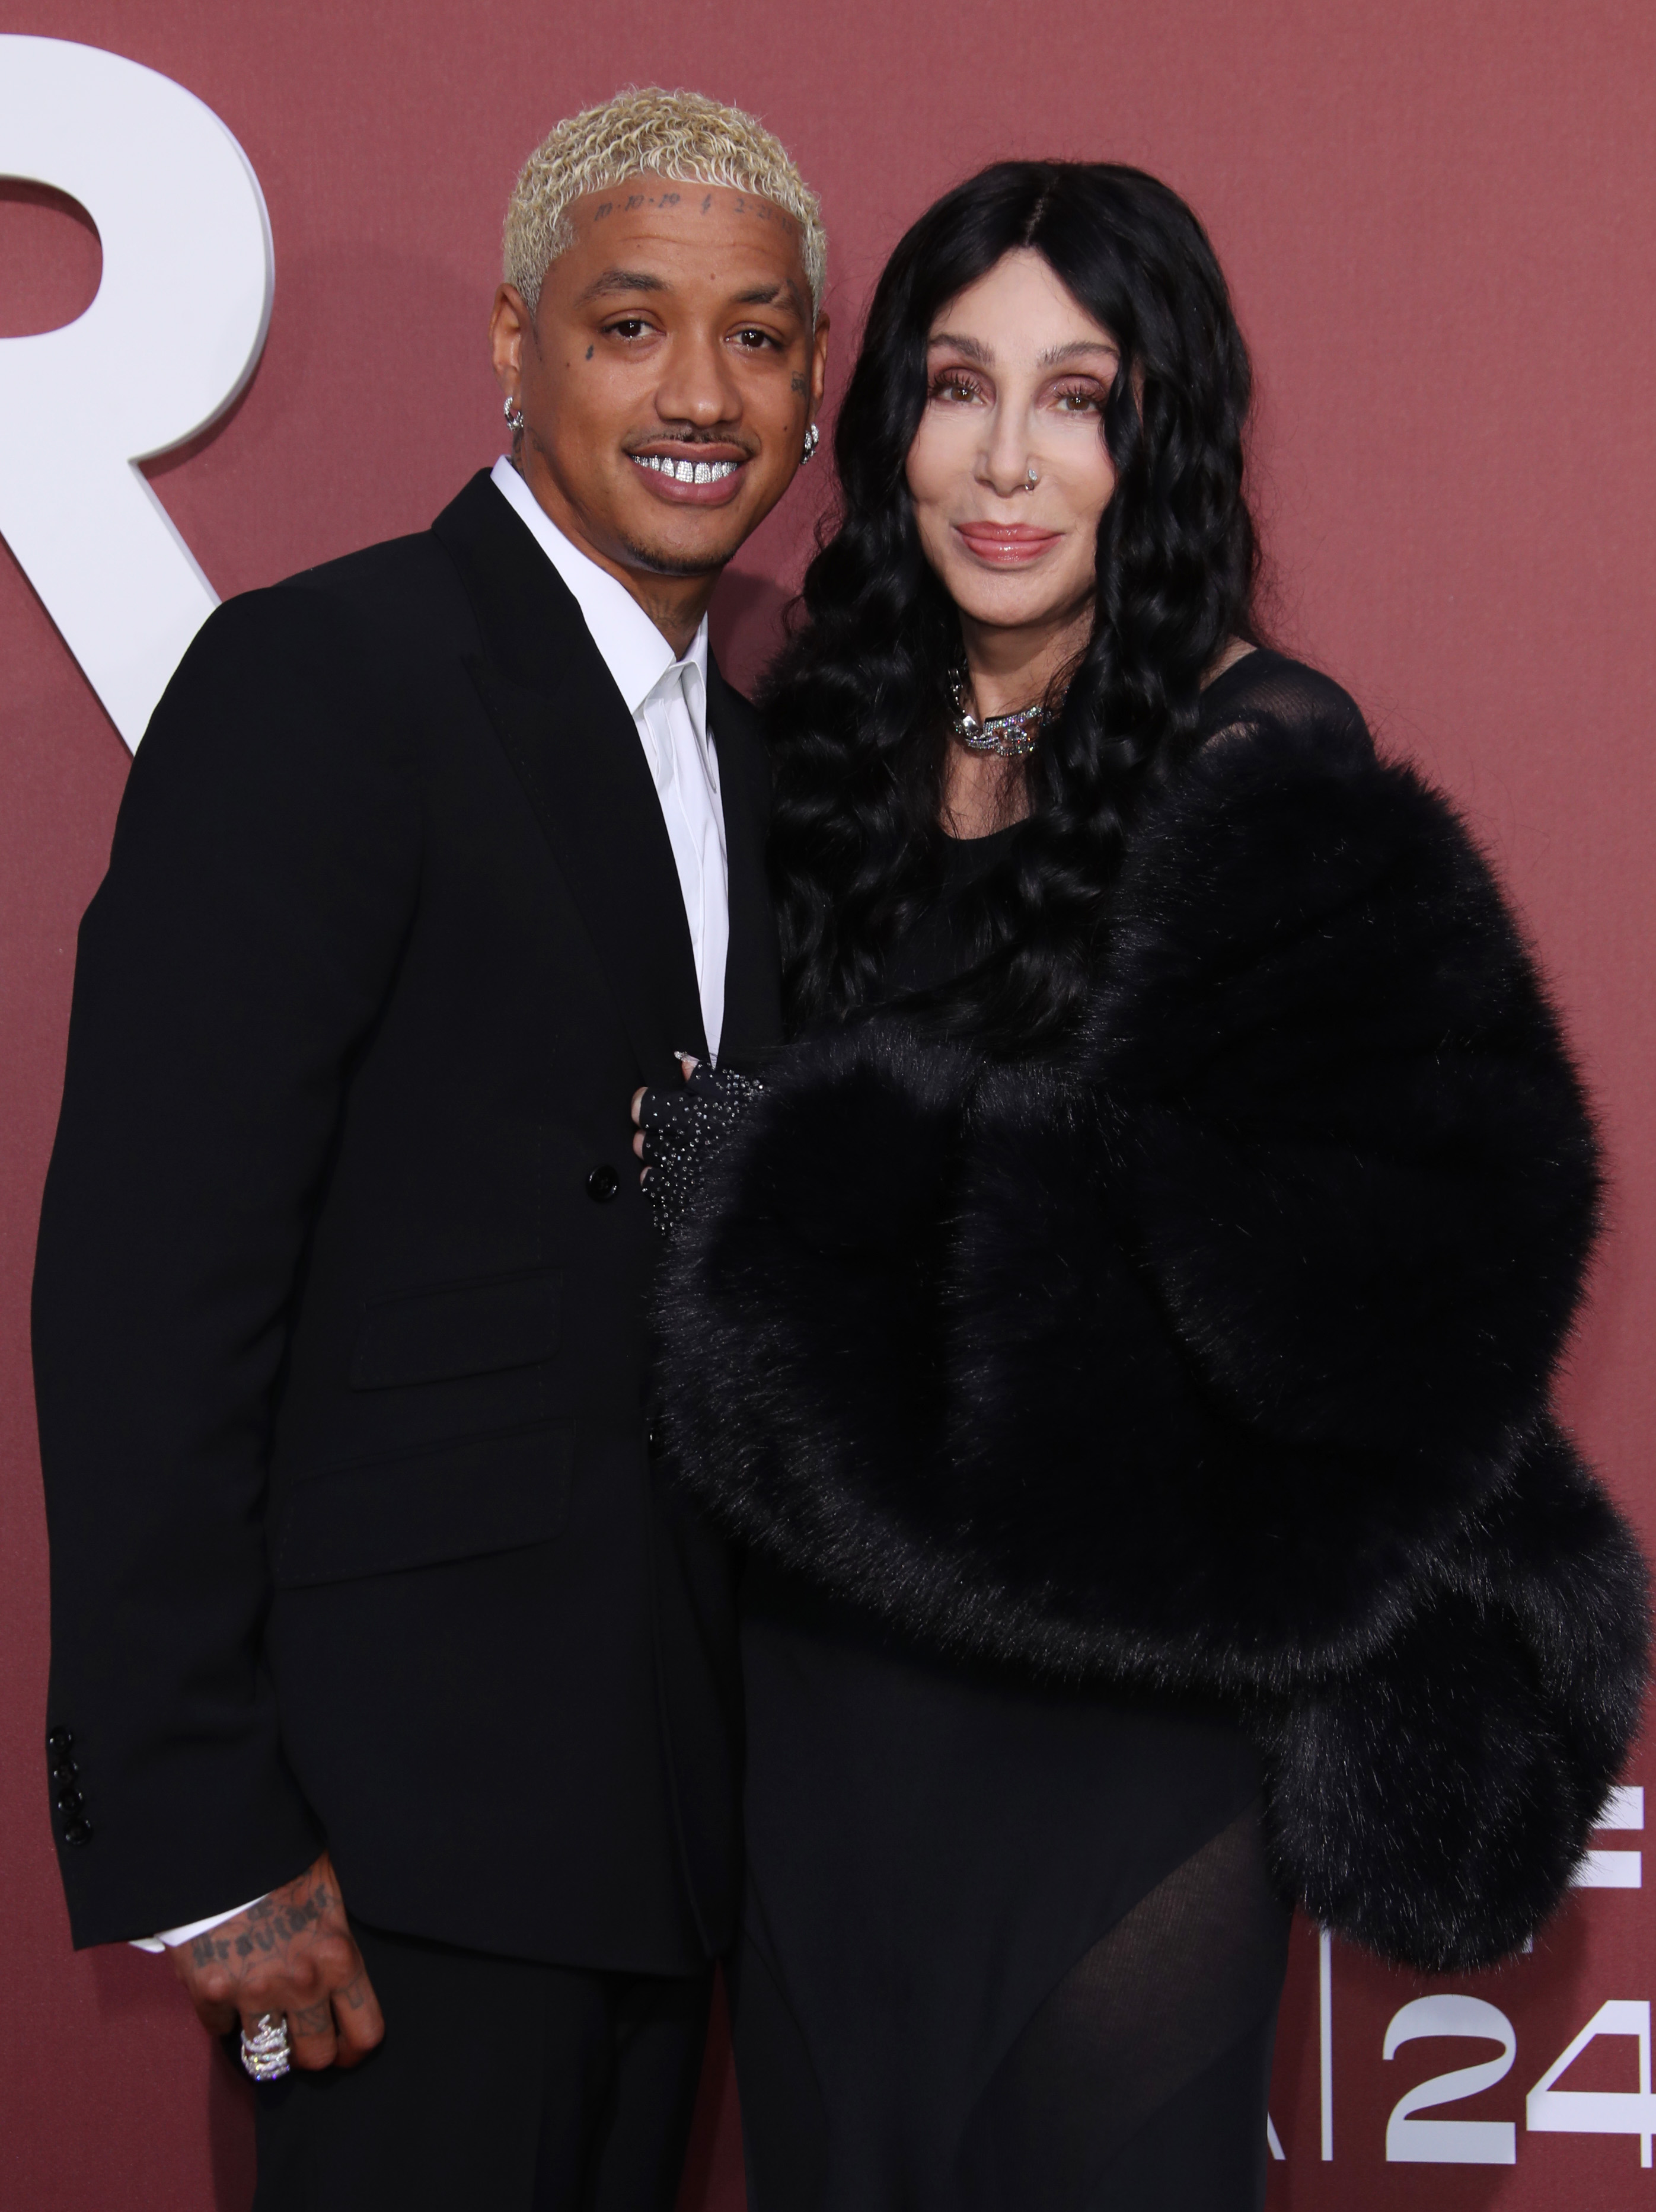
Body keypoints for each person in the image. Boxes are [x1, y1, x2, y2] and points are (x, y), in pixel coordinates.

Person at [637, 161, 1648, 2210]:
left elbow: (1334, 1303)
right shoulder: (805, 750)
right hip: (820, 1715)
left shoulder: (1252, 753)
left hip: (1113, 1740)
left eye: (1078, 397)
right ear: (887, 420)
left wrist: (789, 1217)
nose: (1007, 460)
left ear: (1159, 433)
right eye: (955, 386)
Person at [33, 85, 828, 2211]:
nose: (699, 392)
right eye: (631, 322)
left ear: (815, 380)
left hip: (667, 1849)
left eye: (758, 336)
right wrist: (205, 1844)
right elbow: (147, 1284)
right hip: (368, 1870)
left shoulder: (765, 771)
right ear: (511, 340)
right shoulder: (325, 674)